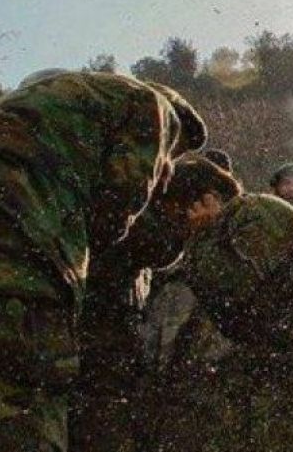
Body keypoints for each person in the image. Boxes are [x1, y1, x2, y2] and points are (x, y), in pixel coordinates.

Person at [0, 70, 209, 451]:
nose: (171, 163)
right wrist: (152, 187)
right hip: (18, 235)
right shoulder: (153, 107)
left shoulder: (50, 96)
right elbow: (113, 212)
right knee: (21, 393)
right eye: (174, 154)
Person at [146, 193, 293, 452]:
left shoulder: (248, 216)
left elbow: (230, 300)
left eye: (179, 214)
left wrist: (197, 239)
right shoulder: (246, 219)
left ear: (203, 200)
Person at [70, 152, 242, 452]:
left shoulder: (136, 212)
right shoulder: (134, 219)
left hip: (110, 357)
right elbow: (157, 249)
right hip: (97, 356)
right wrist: (199, 233)